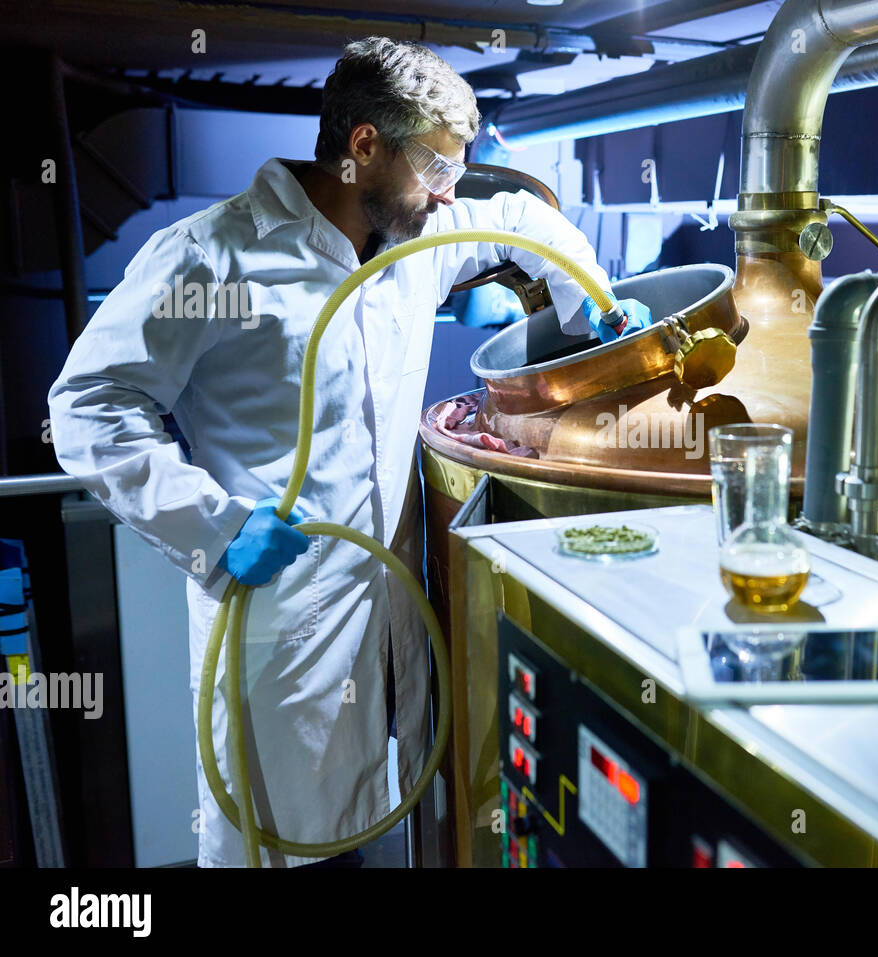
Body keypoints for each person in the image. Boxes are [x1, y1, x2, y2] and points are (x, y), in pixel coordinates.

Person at [47, 36, 650, 867]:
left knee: (384, 833)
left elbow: (517, 218)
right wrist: (215, 528)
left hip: (390, 627)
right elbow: (87, 404)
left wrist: (599, 305)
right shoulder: (214, 256)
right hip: (281, 624)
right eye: (436, 167)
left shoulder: (413, 241)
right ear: (363, 145)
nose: (449, 194)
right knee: (281, 847)